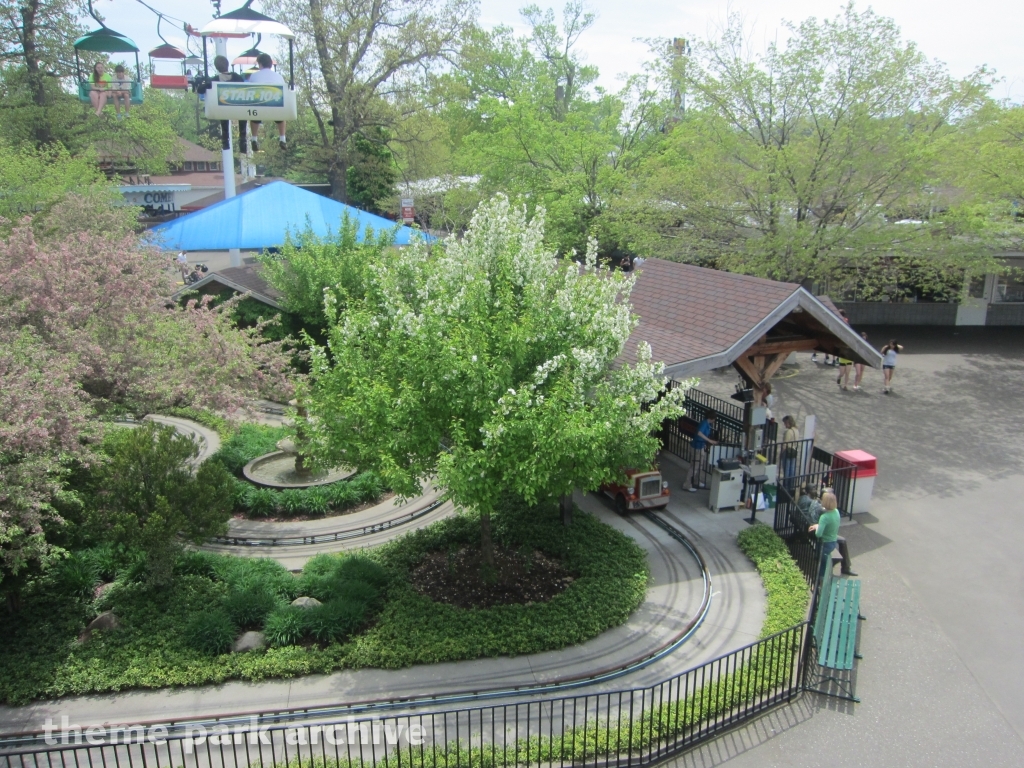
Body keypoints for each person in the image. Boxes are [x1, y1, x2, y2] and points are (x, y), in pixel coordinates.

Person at [795, 485, 857, 575]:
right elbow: (814, 523)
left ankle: (846, 567)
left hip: (822, 530)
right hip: (815, 532)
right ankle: (829, 572)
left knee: (842, 541)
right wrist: (820, 526)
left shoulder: (828, 509)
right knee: (840, 542)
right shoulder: (818, 506)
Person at [196, 56, 248, 149]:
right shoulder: (237, 77)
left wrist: (204, 82)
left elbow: (200, 90)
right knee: (242, 113)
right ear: (227, 65)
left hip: (223, 109)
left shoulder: (214, 80)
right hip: (238, 108)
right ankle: (242, 139)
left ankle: (225, 140)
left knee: (223, 111)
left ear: (217, 67)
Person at [246, 53, 287, 149]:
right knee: (281, 117)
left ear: (260, 64)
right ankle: (282, 139)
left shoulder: (254, 76)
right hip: (275, 106)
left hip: (259, 106)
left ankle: (254, 139)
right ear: (271, 64)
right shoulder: (279, 77)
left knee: (254, 116)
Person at [809, 491, 842, 579]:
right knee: (826, 564)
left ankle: (821, 585)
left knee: (822, 567)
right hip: (833, 541)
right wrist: (819, 526)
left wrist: (817, 527)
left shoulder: (824, 517)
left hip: (825, 543)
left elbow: (818, 534)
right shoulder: (836, 512)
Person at [687, 412, 718, 492]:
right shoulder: (704, 424)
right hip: (696, 446)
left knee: (700, 464)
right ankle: (687, 484)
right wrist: (709, 441)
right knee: (695, 466)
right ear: (712, 419)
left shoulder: (707, 424)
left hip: (700, 446)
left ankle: (696, 481)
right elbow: (699, 433)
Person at [780, 415, 800, 490]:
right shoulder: (796, 430)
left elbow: (785, 444)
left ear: (788, 422)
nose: (784, 425)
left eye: (785, 423)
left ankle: (786, 486)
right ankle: (791, 486)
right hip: (794, 451)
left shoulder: (788, 432)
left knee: (787, 470)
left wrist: (781, 453)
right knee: (792, 469)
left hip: (788, 451)